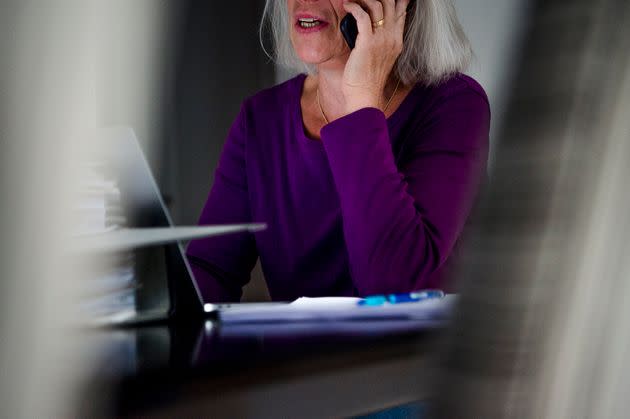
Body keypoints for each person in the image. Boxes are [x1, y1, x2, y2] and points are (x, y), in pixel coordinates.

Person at [186, 0, 490, 302]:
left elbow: (394, 285)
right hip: (298, 352)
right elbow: (209, 271)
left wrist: (361, 99)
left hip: (404, 350)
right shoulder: (261, 118)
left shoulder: (454, 104)